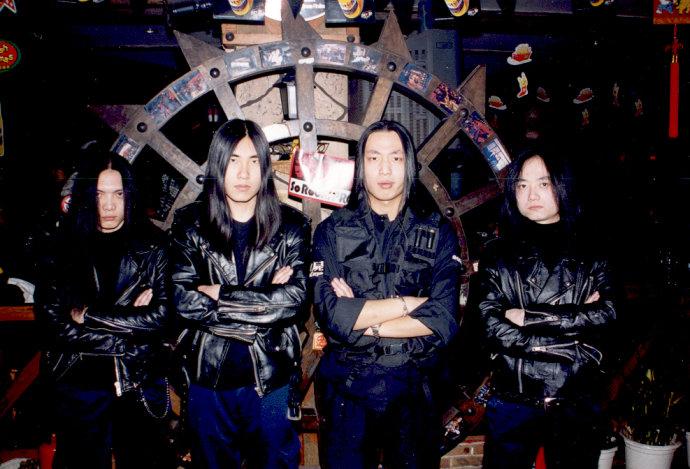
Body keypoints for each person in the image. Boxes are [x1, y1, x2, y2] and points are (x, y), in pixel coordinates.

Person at [311, 120, 461, 468]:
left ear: (408, 164)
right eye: (374, 157)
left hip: (415, 385)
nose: (384, 169)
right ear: (361, 166)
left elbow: (444, 317)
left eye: (395, 158)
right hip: (348, 387)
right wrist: (409, 305)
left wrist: (364, 319)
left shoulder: (437, 231)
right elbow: (332, 315)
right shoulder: (331, 231)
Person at [171, 118, 309, 469]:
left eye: (253, 161)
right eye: (233, 160)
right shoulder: (191, 224)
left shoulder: (291, 226)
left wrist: (220, 294)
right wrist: (265, 299)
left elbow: (294, 301)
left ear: (265, 168)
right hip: (207, 378)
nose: (244, 173)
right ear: (218, 164)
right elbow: (183, 300)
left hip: (272, 377)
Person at [475, 147, 616, 469]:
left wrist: (528, 317)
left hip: (575, 398)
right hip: (514, 398)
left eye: (543, 183)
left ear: (563, 185)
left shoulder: (595, 251)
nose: (531, 194)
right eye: (522, 185)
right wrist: (570, 343)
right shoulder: (497, 254)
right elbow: (489, 326)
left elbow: (609, 314)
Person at [35, 151, 173, 469]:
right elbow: (56, 327)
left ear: (130, 196)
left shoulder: (153, 245)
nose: (109, 205)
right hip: (78, 383)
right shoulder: (62, 248)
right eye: (100, 194)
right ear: (87, 196)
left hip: (136, 381)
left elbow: (163, 318)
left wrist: (90, 316)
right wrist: (130, 330)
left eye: (118, 194)